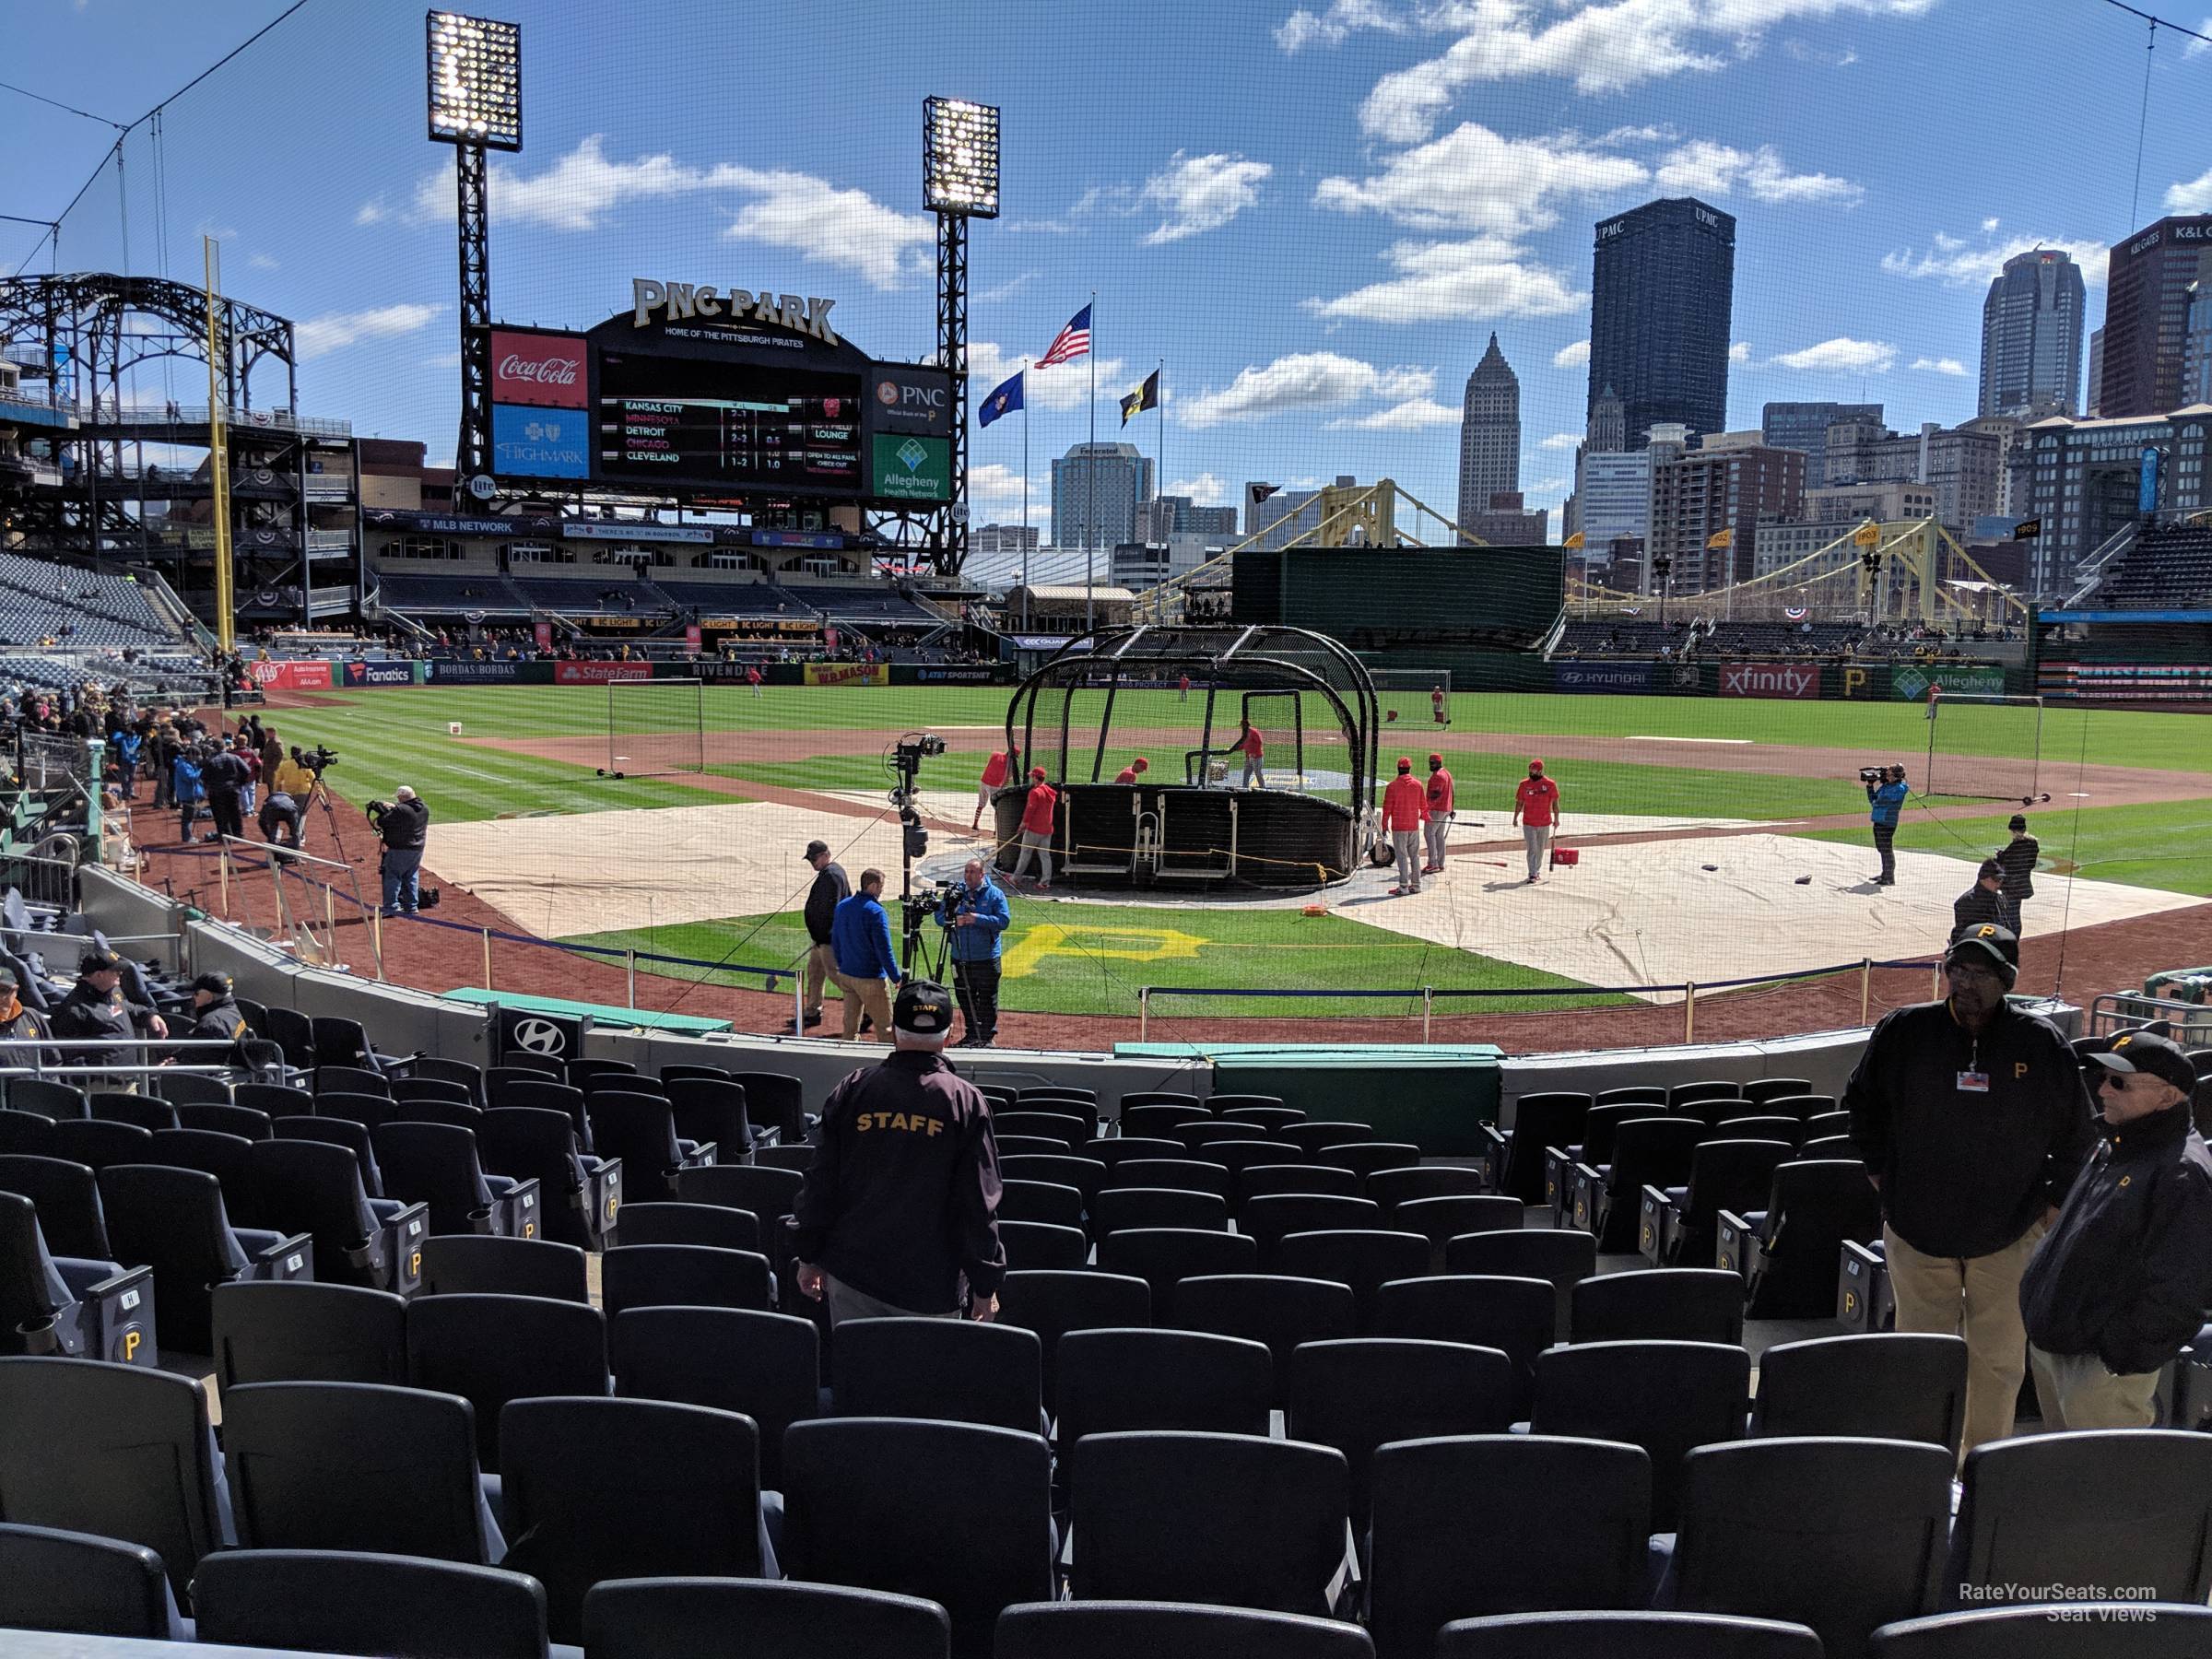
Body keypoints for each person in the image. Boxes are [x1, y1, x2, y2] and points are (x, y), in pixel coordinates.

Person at [1843, 924, 2093, 1455]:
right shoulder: (1905, 1031)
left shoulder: (2039, 1042)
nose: (1965, 982)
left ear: (2006, 979)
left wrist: (2048, 1206)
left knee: (1998, 1362)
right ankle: (1921, 1464)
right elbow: (1861, 1103)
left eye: (1980, 973)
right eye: (1957, 968)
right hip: (1916, 1228)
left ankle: (1980, 1468)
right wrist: (1878, 1172)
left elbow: (2078, 1133)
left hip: (2007, 1233)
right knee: (1920, 1357)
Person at [2021, 1030, 2212, 1429]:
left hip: (2100, 1372)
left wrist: (2117, 1358)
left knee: (2104, 1485)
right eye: (2103, 1078)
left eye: (2120, 1082)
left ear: (2167, 1095)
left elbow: (2181, 1291)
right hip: (2059, 1350)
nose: (2104, 1090)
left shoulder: (2181, 1173)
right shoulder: (2115, 1142)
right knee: (2063, 1478)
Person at [791, 979, 1005, 1324]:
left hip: (853, 1275)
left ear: (894, 1032)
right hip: (930, 1286)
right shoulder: (965, 1102)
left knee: (858, 1374)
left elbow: (821, 1183)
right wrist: (985, 1285)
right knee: (924, 1379)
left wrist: (808, 1255)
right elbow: (978, 1203)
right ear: (948, 1037)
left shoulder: (854, 1088)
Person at [52, 948, 168, 1078]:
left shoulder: (114, 993)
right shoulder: (74, 1008)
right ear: (99, 975)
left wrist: (150, 1015)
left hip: (128, 1079)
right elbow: (69, 1053)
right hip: (100, 1086)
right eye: (115, 971)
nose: (120, 973)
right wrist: (92, 1079)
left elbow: (129, 1008)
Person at [936, 857, 1010, 1047]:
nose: (968, 876)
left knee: (986, 998)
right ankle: (971, 1034)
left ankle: (986, 1038)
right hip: (960, 957)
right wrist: (953, 919)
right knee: (964, 997)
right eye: (966, 872)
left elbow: (1003, 921)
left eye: (972, 872)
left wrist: (977, 919)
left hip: (986, 958)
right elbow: (939, 917)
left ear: (981, 874)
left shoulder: (995, 894)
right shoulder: (956, 893)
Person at [830, 867, 901, 1041]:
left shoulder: (843, 906)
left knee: (850, 1028)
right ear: (874, 886)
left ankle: (848, 1061)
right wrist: (896, 977)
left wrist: (842, 965)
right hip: (870, 978)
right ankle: (889, 1066)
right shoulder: (876, 912)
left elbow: (836, 940)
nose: (882, 890)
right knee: (885, 1029)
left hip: (847, 975)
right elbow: (884, 949)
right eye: (881, 886)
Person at [796, 839, 851, 1032]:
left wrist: (822, 935)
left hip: (828, 938)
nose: (813, 863)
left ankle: (865, 1006)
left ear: (826, 855)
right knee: (815, 972)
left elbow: (831, 910)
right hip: (820, 937)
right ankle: (813, 1010)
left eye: (815, 859)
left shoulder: (832, 875)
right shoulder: (828, 873)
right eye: (811, 860)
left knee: (836, 975)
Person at [375, 785, 429, 917]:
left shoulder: (402, 810)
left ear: (403, 797)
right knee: (411, 875)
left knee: (392, 876)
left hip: (400, 848)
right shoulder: (424, 808)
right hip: (417, 849)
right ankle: (411, 906)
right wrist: (395, 808)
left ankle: (391, 907)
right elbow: (407, 812)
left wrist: (389, 810)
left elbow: (381, 822)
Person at [1382, 755, 1428, 896]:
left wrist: (1384, 825)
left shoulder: (1392, 786)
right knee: (1415, 856)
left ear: (1398, 769)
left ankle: (1403, 887)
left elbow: (1387, 808)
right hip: (1413, 826)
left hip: (1399, 827)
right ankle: (1416, 885)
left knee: (1401, 856)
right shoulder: (1418, 785)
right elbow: (1423, 806)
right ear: (1409, 768)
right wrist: (1424, 816)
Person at [1512, 759, 1559, 883]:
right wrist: (1515, 817)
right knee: (1532, 848)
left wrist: (1557, 819)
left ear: (1540, 771)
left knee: (1540, 848)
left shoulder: (1550, 784)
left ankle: (1536, 870)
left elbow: (1555, 803)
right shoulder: (1524, 785)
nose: (1531, 772)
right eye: (1530, 769)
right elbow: (1519, 803)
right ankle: (1532, 873)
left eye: (1534, 770)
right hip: (1529, 823)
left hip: (1544, 823)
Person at [1011, 767, 1057, 889]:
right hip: (1047, 830)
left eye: (1033, 776)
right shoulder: (1050, 792)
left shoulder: (1035, 792)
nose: (1031, 778)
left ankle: (1015, 878)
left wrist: (1023, 824)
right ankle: (1045, 881)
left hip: (1034, 830)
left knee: (1025, 853)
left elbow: (1030, 810)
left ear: (1036, 778)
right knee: (1045, 856)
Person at [1951, 859, 2018, 939]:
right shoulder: (1967, 902)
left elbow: (2005, 925)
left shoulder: (2000, 899)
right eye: (1996, 879)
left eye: (2001, 880)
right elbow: (1966, 934)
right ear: (1984, 878)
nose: (1999, 884)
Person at [1865, 763, 1908, 887]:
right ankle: (1885, 874)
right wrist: (1870, 786)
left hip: (1887, 822)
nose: (1885, 775)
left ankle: (1889, 877)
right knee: (1881, 848)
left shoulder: (1899, 788)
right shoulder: (1886, 786)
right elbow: (1873, 800)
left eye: (1888, 773)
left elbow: (1881, 800)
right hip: (1878, 820)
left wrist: (1883, 783)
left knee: (1886, 849)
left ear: (1895, 776)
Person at [1994, 813, 2038, 933]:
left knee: (2010, 916)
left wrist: (1999, 857)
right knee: (2014, 915)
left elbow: (2007, 863)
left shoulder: (2016, 846)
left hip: (2011, 886)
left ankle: (2010, 940)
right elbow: (2030, 864)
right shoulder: (2032, 844)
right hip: (2022, 884)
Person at [201, 739, 249, 844]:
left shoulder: (210, 760)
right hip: (232, 789)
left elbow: (204, 777)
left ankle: (225, 836)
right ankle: (238, 835)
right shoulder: (234, 757)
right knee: (235, 812)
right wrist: (240, 783)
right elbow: (247, 771)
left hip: (216, 791)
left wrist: (208, 787)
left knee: (220, 815)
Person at [182, 971, 247, 1041]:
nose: (193, 997)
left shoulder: (209, 1027)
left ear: (209, 996)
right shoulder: (233, 1009)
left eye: (196, 993)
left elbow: (194, 1052)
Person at [1423, 752, 1454, 875]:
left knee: (1429, 834)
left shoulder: (1438, 776)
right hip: (1445, 809)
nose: (1430, 765)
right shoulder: (1447, 773)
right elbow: (1452, 792)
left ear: (1438, 763)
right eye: (1430, 763)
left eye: (1432, 763)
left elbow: (1435, 795)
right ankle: (1440, 863)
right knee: (1439, 836)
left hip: (1437, 810)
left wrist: (1426, 809)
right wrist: (1452, 809)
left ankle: (1433, 863)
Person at [172, 744, 206, 844]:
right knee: (188, 817)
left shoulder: (189, 763)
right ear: (191, 755)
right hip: (187, 794)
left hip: (190, 793)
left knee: (190, 816)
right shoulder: (183, 765)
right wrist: (201, 771)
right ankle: (187, 838)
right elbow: (190, 777)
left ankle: (188, 836)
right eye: (196, 756)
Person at [972, 749, 1009, 834]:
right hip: (994, 786)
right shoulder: (1009, 764)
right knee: (998, 808)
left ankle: (975, 824)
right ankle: (997, 830)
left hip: (983, 781)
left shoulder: (995, 754)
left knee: (980, 805)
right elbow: (1007, 779)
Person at [1236, 720, 1265, 790]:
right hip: (1249, 757)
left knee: (1258, 773)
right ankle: (1245, 787)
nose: (1241, 727)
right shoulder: (1245, 733)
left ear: (1246, 725)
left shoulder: (1254, 732)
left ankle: (1263, 787)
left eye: (1242, 725)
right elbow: (1244, 744)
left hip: (1257, 757)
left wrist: (1254, 752)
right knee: (1246, 772)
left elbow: (1259, 742)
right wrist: (1235, 748)